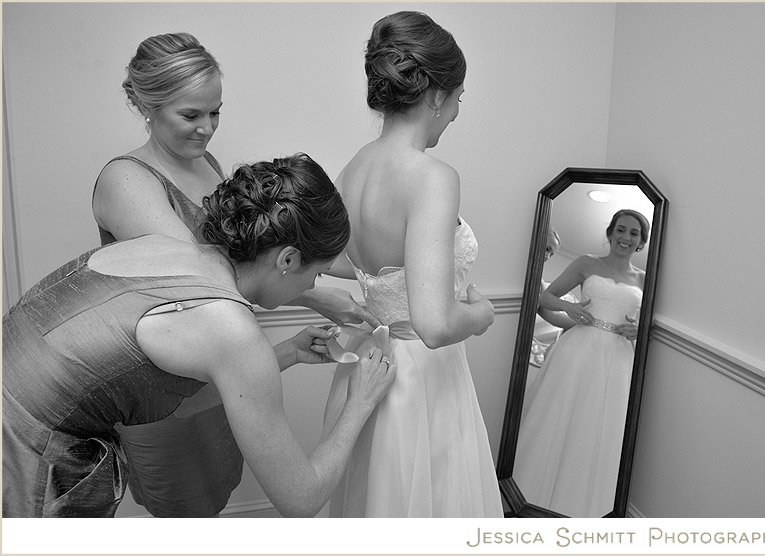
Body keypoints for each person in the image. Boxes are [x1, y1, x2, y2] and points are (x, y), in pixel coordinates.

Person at [3, 154, 396, 518]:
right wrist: (358, 402)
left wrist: (290, 351)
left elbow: (180, 404)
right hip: (24, 452)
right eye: (317, 273)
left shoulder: (170, 251)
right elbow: (301, 498)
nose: (313, 283)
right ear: (287, 259)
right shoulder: (231, 328)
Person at [91, 32, 375, 517]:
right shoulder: (126, 181)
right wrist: (316, 295)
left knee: (215, 496)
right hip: (166, 393)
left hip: (216, 382)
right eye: (191, 114)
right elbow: (209, 279)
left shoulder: (207, 165)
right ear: (146, 104)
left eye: (215, 112)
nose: (207, 129)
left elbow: (252, 256)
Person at [320, 11, 503, 517]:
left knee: (380, 500)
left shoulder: (354, 168)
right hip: (422, 375)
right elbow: (435, 323)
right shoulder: (431, 177)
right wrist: (483, 313)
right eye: (459, 99)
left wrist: (386, 293)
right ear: (438, 95)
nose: (458, 112)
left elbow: (342, 262)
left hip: (370, 366)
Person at [514, 209, 649, 517]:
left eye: (634, 234)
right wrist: (569, 310)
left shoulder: (644, 279)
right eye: (621, 230)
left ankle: (584, 507)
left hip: (618, 358)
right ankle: (525, 494)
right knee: (558, 416)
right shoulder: (587, 263)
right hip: (577, 350)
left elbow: (650, 324)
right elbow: (546, 298)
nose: (626, 237)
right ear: (610, 232)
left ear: (641, 242)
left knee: (601, 428)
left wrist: (638, 331)